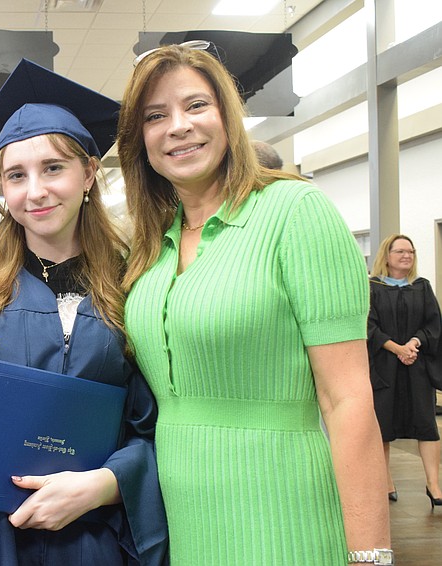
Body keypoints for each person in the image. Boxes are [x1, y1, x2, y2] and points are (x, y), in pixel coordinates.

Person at [117, 43, 391, 564]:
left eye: (196, 105)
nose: (178, 126)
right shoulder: (151, 246)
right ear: (140, 139)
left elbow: (348, 401)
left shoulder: (295, 212)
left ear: (227, 116)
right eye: (156, 115)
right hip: (189, 519)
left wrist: (370, 556)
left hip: (287, 510)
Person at [0, 59, 168, 566]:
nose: (35, 191)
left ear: (89, 172)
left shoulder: (136, 287)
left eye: (54, 168)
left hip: (92, 536)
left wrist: (103, 487)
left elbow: (153, 428)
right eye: (16, 175)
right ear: (0, 190)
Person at [367, 234, 442, 507]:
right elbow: (368, 326)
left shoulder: (421, 287)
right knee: (383, 426)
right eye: (400, 251)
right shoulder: (371, 287)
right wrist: (395, 348)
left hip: (416, 364)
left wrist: (413, 343)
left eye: (410, 251)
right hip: (384, 367)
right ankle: (385, 481)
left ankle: (434, 485)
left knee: (426, 425)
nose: (406, 256)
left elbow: (434, 324)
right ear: (386, 256)